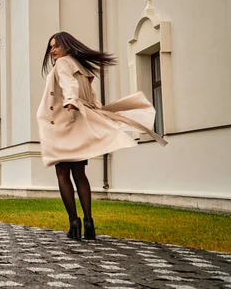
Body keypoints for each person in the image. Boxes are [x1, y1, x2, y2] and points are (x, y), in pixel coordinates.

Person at [36, 32, 167, 240]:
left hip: (63, 124)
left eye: (56, 46)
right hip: (79, 124)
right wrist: (97, 114)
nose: (53, 50)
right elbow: (92, 96)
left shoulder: (62, 64)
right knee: (79, 174)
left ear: (67, 46)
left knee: (62, 174)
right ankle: (89, 223)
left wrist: (70, 100)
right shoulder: (82, 67)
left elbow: (69, 85)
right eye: (50, 47)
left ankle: (74, 223)